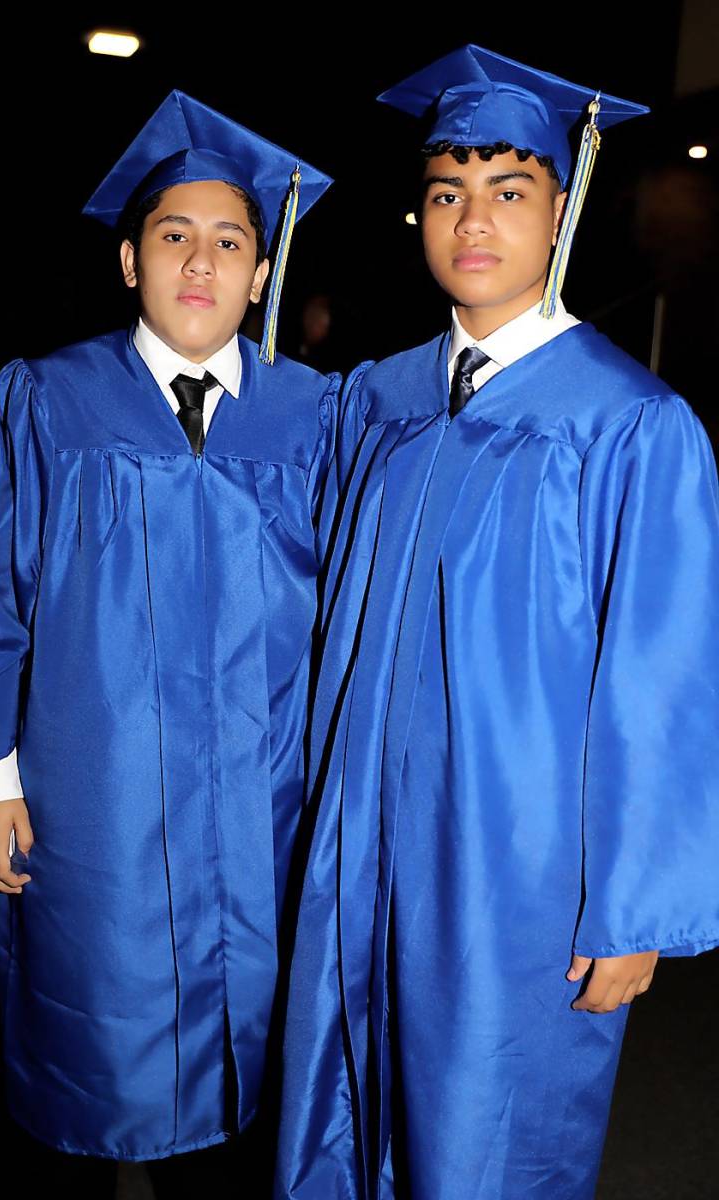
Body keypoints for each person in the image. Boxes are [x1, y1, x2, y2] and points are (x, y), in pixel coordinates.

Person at [275, 44, 719, 1200]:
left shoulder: (630, 424)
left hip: (513, 871)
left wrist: (633, 910)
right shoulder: (378, 396)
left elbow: (658, 680)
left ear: (558, 209)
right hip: (359, 843)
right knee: (345, 1114)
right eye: (445, 194)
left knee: (483, 1135)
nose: (471, 221)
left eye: (507, 192)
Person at [0, 88, 338, 1193]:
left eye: (227, 240)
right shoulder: (43, 402)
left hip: (262, 819)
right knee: (74, 1082)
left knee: (245, 1089)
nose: (199, 262)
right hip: (85, 812)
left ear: (259, 272)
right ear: (127, 262)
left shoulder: (315, 419)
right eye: (172, 236)